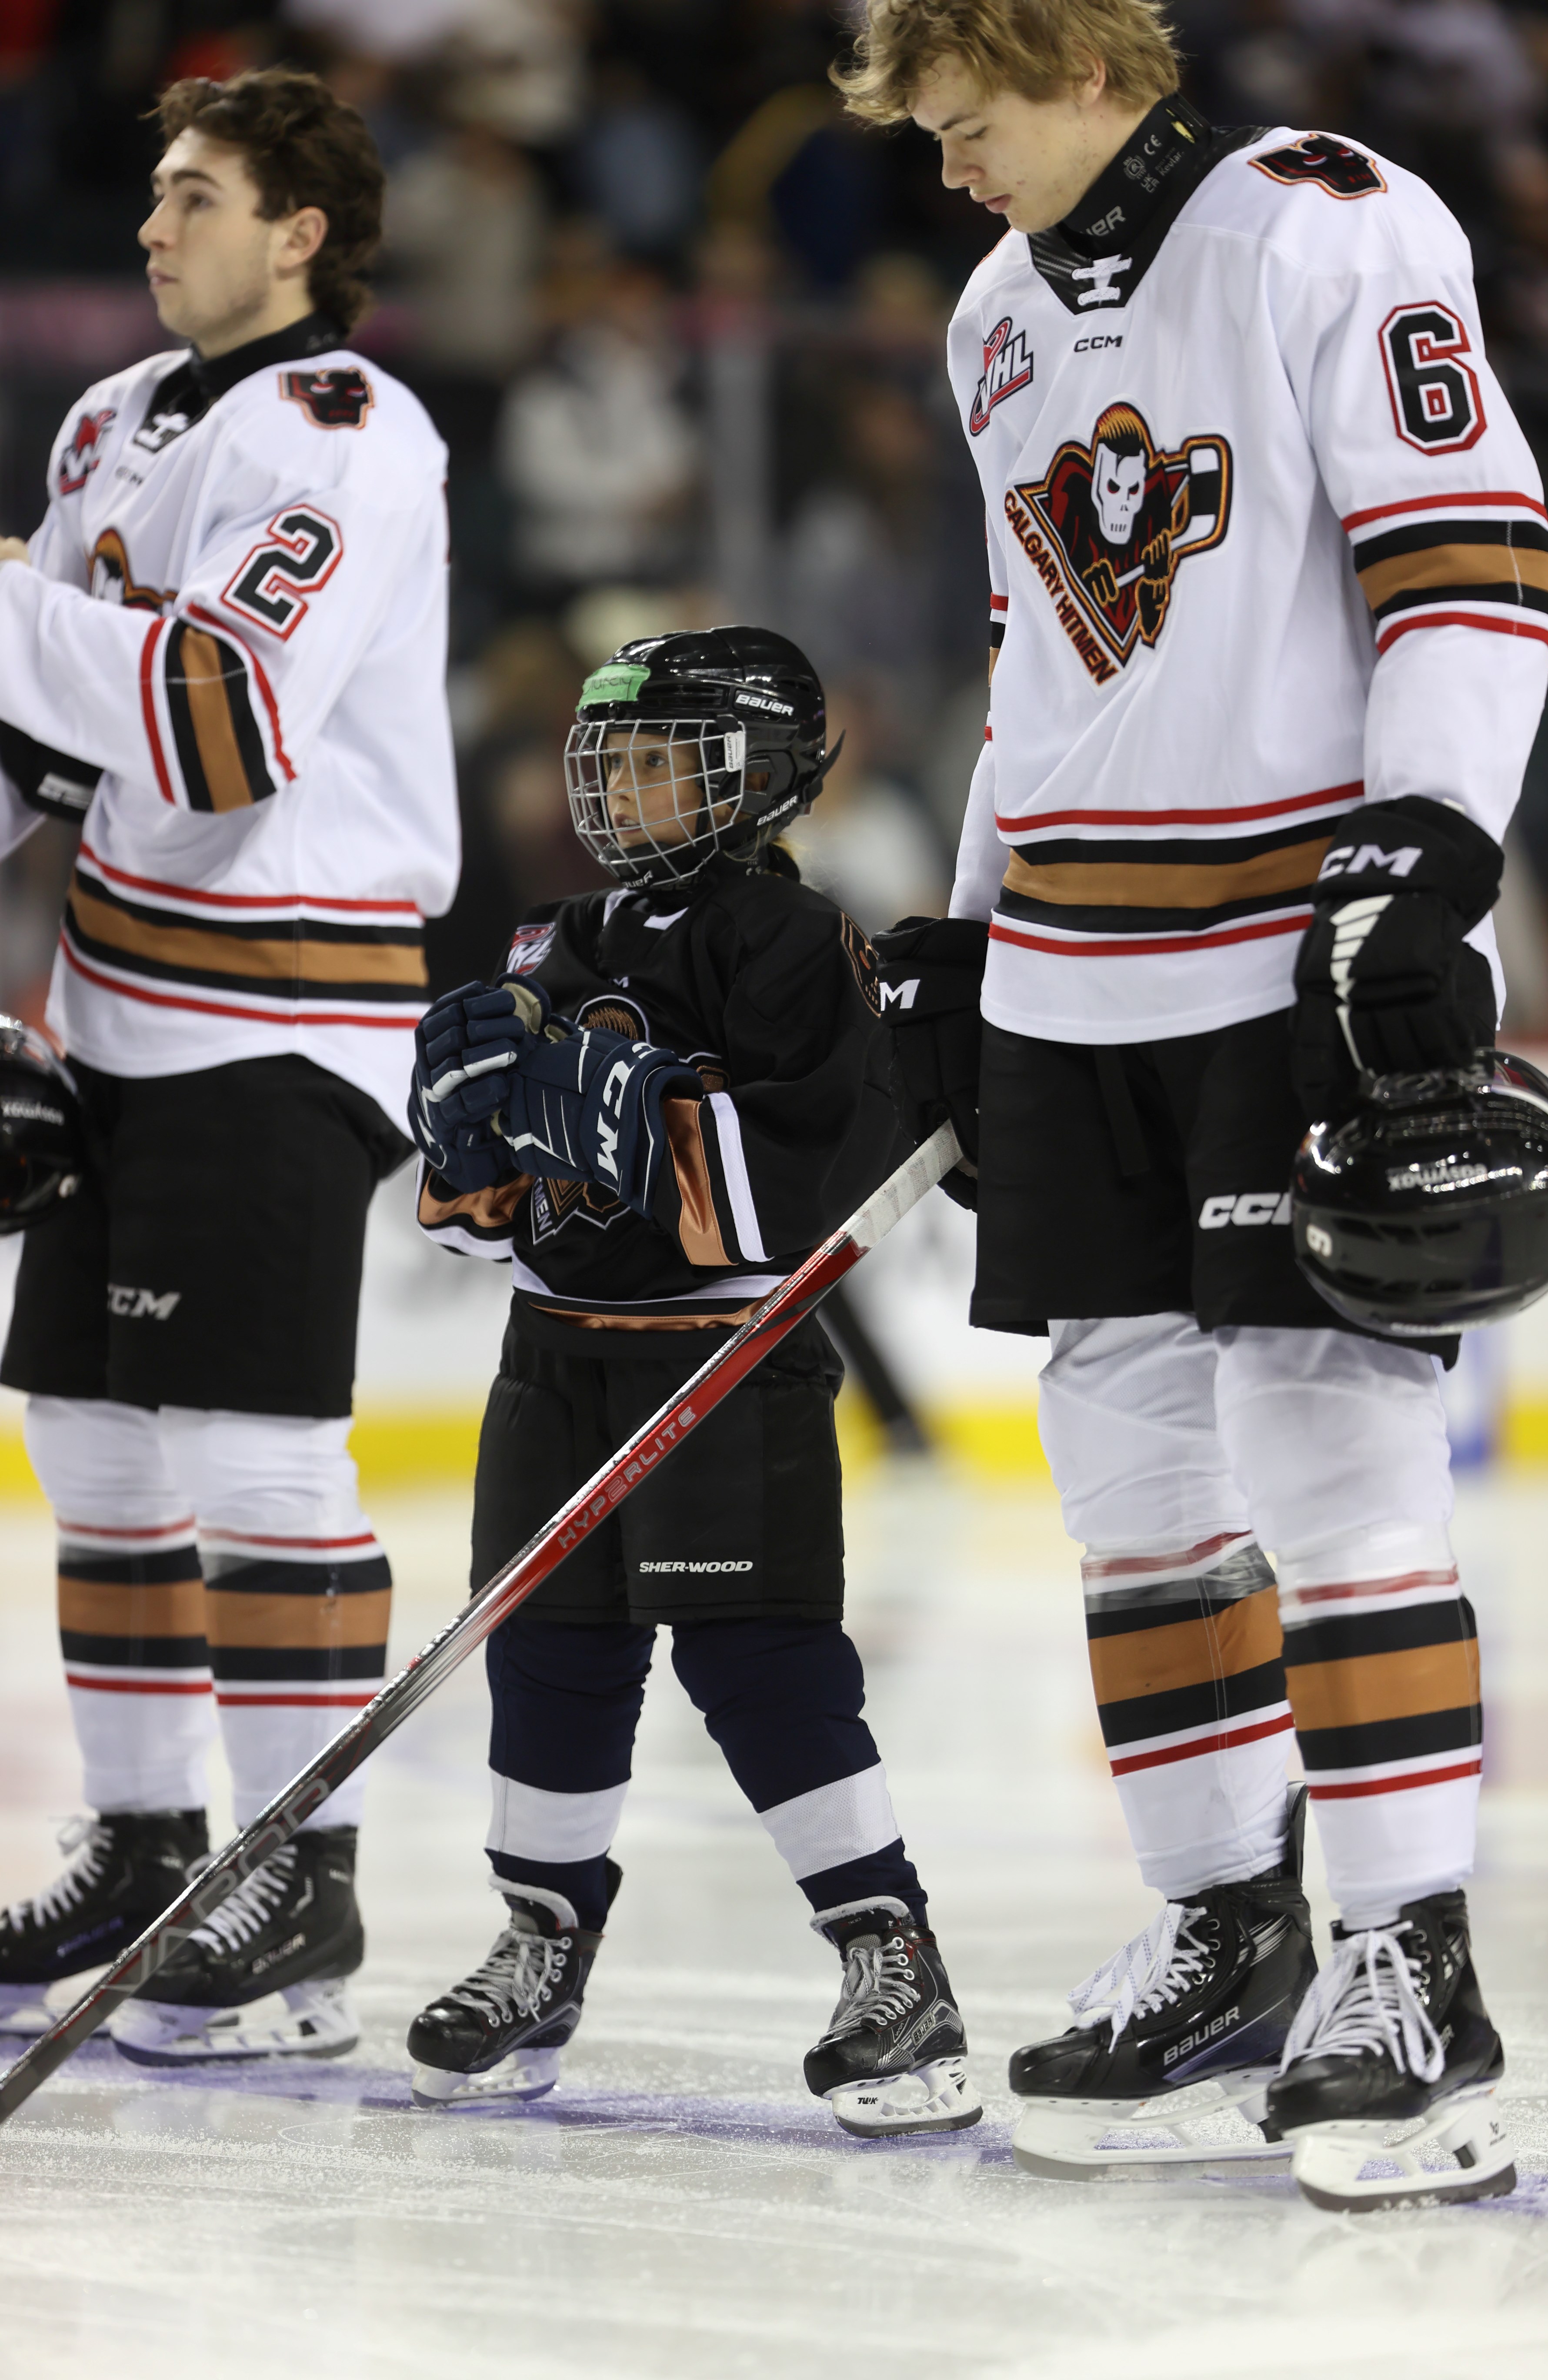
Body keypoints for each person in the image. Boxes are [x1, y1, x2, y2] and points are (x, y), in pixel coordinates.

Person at [839, 0, 1548, 2207]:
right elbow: (1033, 657)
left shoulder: (1324, 225)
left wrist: (1434, 843)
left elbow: (1470, 542)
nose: (948, 172)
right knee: (1131, 1483)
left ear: (1060, 61)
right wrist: (965, 936)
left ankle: (1407, 1960)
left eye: (962, 124)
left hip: (1286, 952)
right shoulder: (992, 310)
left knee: (1334, 1473)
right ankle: (1226, 1927)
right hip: (1075, 970)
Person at [0, 68, 458, 2062]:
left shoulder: (346, 433)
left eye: (198, 197)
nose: (152, 225)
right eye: (156, 193)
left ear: (302, 231)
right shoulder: (110, 425)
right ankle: (144, 1835)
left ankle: (302, 1872)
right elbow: (40, 739)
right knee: (96, 1449)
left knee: (255, 1455)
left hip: (284, 1000)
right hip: (117, 995)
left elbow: (215, 723)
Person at [401, 626, 980, 2137]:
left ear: (762, 777)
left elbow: (787, 1194)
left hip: (726, 1364)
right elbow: (490, 1229)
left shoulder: (793, 945)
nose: (620, 790)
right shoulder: (546, 939)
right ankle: (539, 1939)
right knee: (549, 1662)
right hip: (552, 1366)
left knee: (760, 1661)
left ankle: (888, 1952)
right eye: (610, 761)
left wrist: (602, 1118)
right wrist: (471, 1162)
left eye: (659, 761)